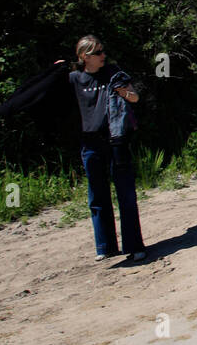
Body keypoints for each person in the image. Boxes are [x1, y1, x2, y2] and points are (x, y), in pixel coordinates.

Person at [58, 36, 146, 262]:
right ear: (84, 56)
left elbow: (135, 98)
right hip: (90, 143)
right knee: (97, 196)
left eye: (102, 51)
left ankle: (134, 246)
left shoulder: (113, 73)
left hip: (116, 141)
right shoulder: (74, 79)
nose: (103, 55)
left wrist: (122, 92)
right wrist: (54, 72)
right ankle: (105, 247)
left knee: (125, 194)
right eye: (98, 52)